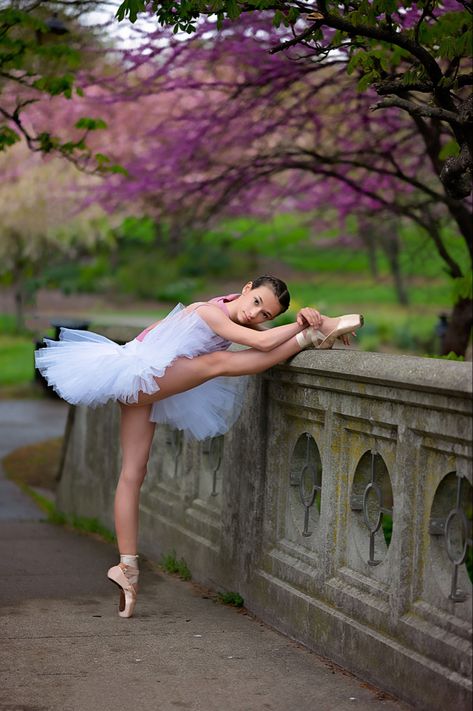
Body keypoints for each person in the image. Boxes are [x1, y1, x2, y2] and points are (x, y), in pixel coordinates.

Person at [35, 275, 363, 618]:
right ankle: (315, 334)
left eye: (266, 315)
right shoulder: (210, 312)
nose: (256, 315)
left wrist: (307, 320)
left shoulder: (233, 317)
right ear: (247, 288)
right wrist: (310, 328)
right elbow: (262, 346)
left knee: (133, 472)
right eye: (256, 303)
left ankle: (126, 568)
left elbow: (263, 344)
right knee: (216, 364)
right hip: (138, 371)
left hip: (142, 376)